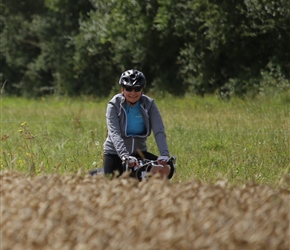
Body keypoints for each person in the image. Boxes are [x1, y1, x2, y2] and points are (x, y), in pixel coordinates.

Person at [100, 69, 174, 179]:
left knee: (167, 169)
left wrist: (164, 154)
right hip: (115, 153)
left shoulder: (149, 104)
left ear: (142, 90)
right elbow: (114, 133)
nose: (133, 93)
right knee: (112, 182)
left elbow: (159, 130)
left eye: (137, 89)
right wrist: (124, 156)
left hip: (139, 152)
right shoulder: (114, 104)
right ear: (122, 89)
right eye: (129, 89)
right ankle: (96, 175)